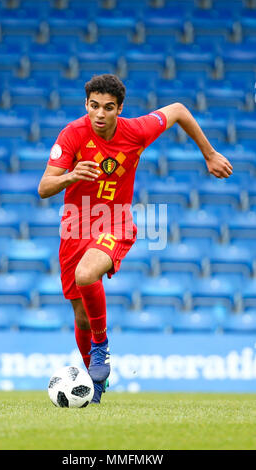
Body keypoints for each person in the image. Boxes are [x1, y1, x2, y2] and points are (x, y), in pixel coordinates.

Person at [38, 74, 233, 404]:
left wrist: (209, 153)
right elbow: (44, 187)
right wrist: (71, 175)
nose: (100, 114)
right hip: (75, 226)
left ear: (119, 109)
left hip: (115, 222)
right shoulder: (72, 134)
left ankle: (102, 347)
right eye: (94, 106)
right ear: (86, 105)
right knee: (80, 314)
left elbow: (179, 110)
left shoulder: (137, 131)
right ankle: (95, 388)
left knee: (86, 275)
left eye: (108, 108)